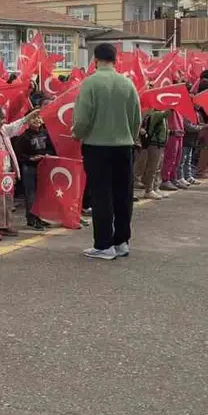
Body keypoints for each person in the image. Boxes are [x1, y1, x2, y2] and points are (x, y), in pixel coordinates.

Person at [71, 43, 141, 261]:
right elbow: (136, 118)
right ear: (115, 59)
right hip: (124, 146)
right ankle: (121, 242)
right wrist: (129, 136)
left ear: (95, 60)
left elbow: (82, 118)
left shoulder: (90, 83)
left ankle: (103, 244)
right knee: (123, 195)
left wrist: (77, 134)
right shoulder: (127, 83)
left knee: (102, 196)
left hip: (97, 147)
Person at [0, 104, 41, 239]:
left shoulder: (3, 129)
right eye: (2, 118)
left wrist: (27, 118)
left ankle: (5, 225)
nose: (4, 121)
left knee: (8, 200)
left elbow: (15, 126)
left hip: (7, 172)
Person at [14, 112, 55, 228]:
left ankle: (40, 217)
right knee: (31, 194)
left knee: (42, 193)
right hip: (30, 167)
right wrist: (30, 158)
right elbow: (19, 155)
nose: (36, 120)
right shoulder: (23, 137)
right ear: (27, 121)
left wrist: (47, 155)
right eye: (33, 118)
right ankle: (31, 219)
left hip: (44, 167)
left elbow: (52, 149)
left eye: (38, 117)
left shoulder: (46, 134)